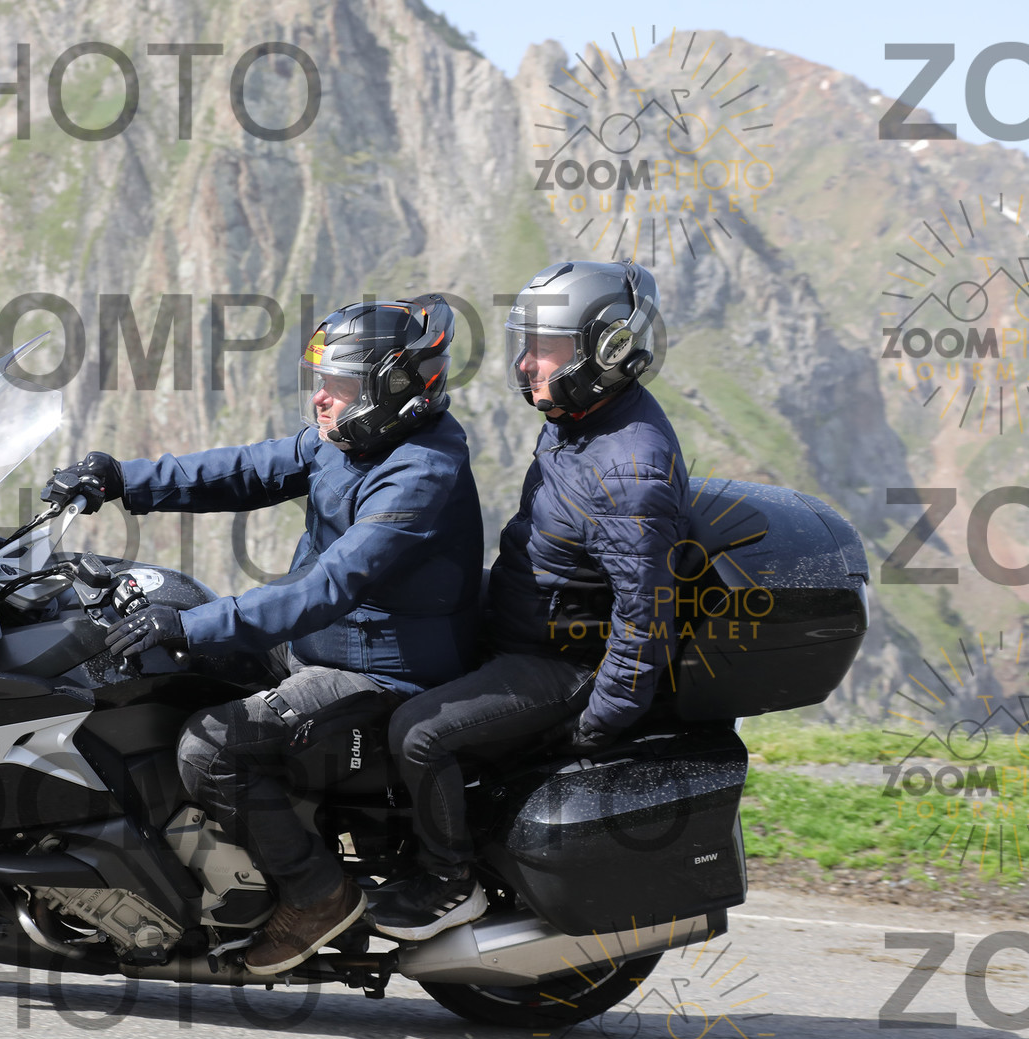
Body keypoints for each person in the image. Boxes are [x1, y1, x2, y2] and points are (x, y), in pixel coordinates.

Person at [41, 295, 483, 974]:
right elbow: (246, 469)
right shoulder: (352, 439)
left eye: (339, 385)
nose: (321, 399)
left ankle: (316, 893)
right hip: (324, 638)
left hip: (381, 672)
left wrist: (192, 624)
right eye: (321, 382)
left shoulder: (420, 473)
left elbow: (327, 586)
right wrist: (123, 479)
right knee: (168, 668)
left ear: (392, 387)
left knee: (211, 748)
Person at [367, 260, 690, 941]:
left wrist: (594, 725)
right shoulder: (579, 419)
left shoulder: (630, 469)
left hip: (561, 664)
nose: (524, 363)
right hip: (520, 622)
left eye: (543, 347)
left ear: (607, 349)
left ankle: (448, 883)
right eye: (526, 343)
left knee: (419, 733)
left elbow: (644, 619)